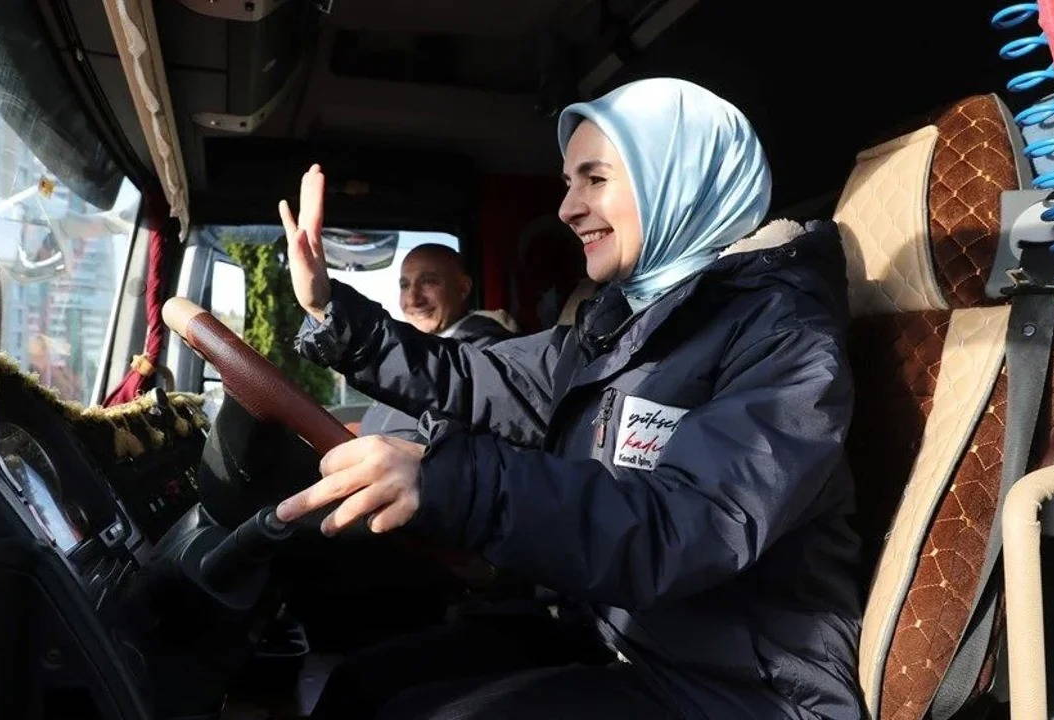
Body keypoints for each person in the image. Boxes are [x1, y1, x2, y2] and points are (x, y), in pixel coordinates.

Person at [274, 78, 863, 719]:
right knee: (362, 687)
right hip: (613, 630)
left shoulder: (785, 338)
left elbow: (686, 528)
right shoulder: (617, 325)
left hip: (741, 684)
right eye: (567, 183)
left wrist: (451, 481)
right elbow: (470, 378)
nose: (567, 209)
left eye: (595, 179)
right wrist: (331, 312)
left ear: (676, 179)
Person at [358, 243, 515, 441]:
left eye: (428, 282)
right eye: (405, 285)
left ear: (463, 288)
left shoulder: (489, 357)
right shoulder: (411, 351)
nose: (413, 299)